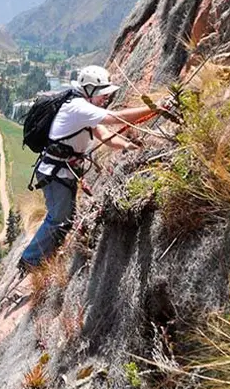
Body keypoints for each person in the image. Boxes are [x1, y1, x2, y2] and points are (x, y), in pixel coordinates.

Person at [18, 65, 158, 270]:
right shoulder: (78, 107)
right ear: (89, 90)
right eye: (101, 94)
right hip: (57, 173)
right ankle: (29, 262)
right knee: (58, 219)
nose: (105, 99)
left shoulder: (81, 107)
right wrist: (155, 107)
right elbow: (117, 118)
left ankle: (44, 258)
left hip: (60, 171)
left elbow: (105, 136)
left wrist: (127, 145)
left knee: (64, 218)